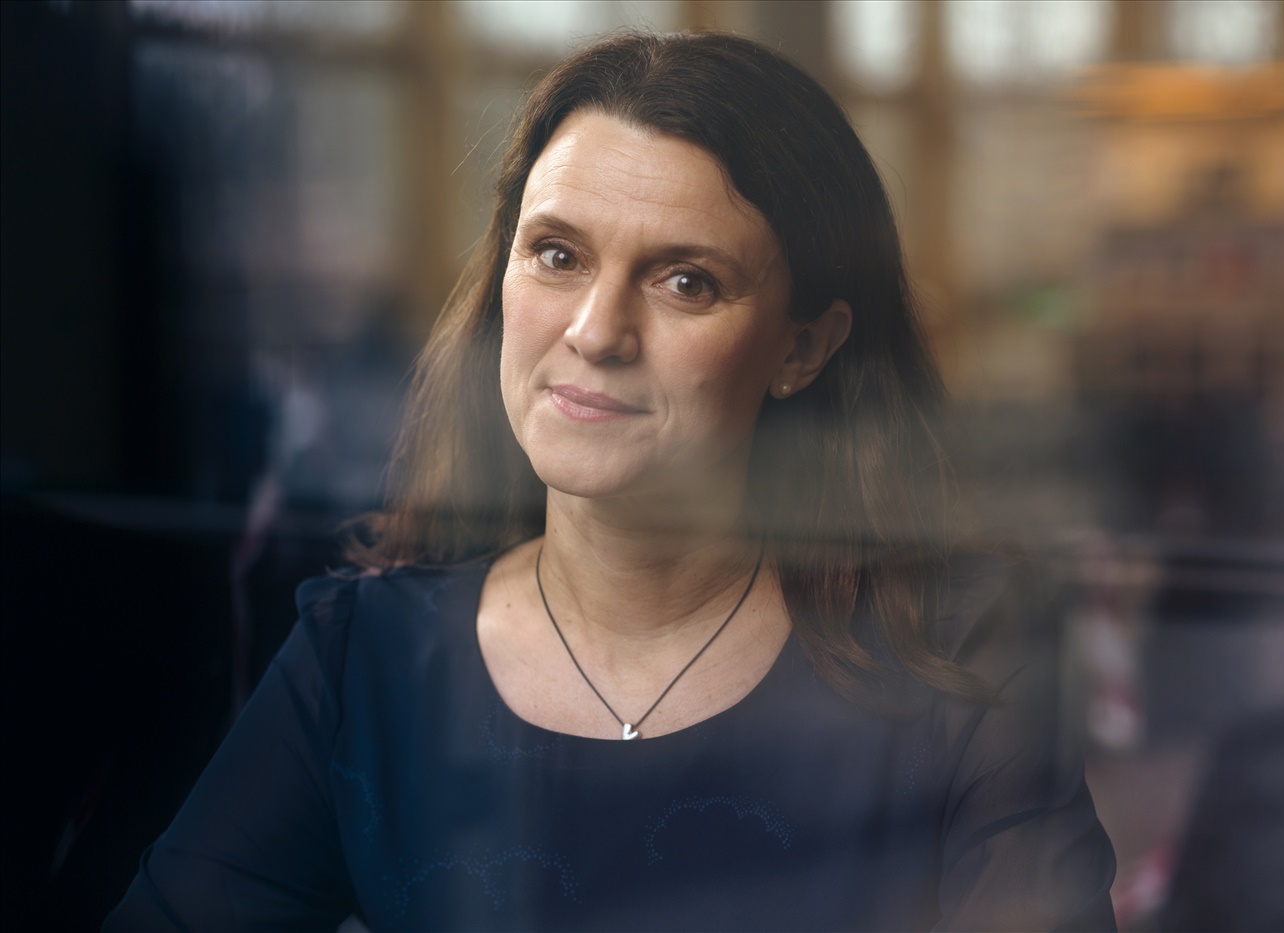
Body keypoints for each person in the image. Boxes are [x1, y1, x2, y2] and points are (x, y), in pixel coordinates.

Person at [106, 31, 1116, 931]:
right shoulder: (362, 658)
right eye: (556, 254)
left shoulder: (957, 650)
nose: (595, 332)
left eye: (686, 282)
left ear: (802, 348)